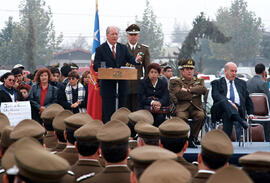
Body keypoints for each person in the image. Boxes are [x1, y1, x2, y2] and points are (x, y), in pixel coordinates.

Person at [93, 26, 142, 123]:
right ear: (107, 35)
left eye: (116, 34)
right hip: (107, 86)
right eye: (112, 34)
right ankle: (108, 132)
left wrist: (136, 60)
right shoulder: (100, 49)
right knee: (108, 112)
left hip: (122, 85)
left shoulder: (122, 48)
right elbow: (96, 65)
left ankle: (122, 132)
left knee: (122, 111)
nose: (115, 36)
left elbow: (131, 58)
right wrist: (106, 69)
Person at [169, 59, 207, 148]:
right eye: (187, 69)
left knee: (201, 116)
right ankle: (183, 138)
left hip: (196, 107)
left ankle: (192, 138)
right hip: (182, 107)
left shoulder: (199, 80)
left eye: (191, 69)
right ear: (182, 71)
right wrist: (194, 93)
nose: (190, 71)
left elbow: (203, 90)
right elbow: (178, 94)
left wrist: (188, 90)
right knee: (181, 117)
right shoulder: (176, 81)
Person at [211, 62, 254, 138]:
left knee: (228, 114)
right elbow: (216, 96)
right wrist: (229, 102)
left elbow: (247, 99)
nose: (234, 73)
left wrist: (250, 113)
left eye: (235, 71)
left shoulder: (242, 83)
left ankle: (225, 140)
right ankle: (241, 121)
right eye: (232, 71)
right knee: (224, 102)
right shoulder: (217, 83)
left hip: (237, 110)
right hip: (219, 110)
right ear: (225, 71)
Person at [125, 24, 151, 112]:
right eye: (131, 35)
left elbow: (148, 68)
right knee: (125, 110)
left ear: (138, 36)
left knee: (137, 111)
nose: (133, 37)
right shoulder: (122, 48)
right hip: (125, 84)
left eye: (135, 35)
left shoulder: (144, 49)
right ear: (127, 36)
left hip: (138, 84)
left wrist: (146, 82)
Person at [247, 63, 270, 141]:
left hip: (249, 114)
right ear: (264, 72)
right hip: (263, 116)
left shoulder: (247, 82)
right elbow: (268, 101)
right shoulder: (263, 83)